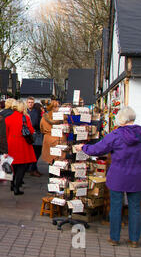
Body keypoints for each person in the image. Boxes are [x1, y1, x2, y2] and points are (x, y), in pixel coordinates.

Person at [75, 107, 141, 248]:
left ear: (122, 119)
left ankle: (115, 238)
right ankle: (134, 240)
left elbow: (97, 149)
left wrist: (83, 147)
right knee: (135, 208)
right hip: (137, 176)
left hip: (118, 176)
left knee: (116, 207)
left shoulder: (115, 134)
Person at [5, 100, 37, 195]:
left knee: (13, 166)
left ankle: (12, 184)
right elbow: (31, 130)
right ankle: (16, 187)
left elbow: (5, 134)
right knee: (21, 168)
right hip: (23, 145)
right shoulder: (25, 118)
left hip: (11, 145)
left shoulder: (8, 119)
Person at [40, 100, 66, 164]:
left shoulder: (44, 117)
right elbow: (66, 127)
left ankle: (51, 171)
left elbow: (42, 128)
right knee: (59, 160)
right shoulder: (62, 116)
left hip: (48, 139)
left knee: (50, 159)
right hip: (59, 138)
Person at [26, 97, 43, 177]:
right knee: (34, 153)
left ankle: (34, 168)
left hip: (36, 133)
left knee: (36, 152)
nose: (30, 104)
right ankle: (32, 169)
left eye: (32, 102)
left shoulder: (36, 111)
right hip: (29, 134)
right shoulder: (25, 112)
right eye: (29, 102)